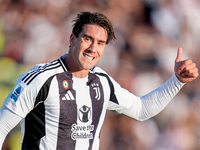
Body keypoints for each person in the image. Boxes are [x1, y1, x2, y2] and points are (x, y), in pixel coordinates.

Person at [0, 12, 198, 150]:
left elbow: (141, 110)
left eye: (100, 43)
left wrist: (177, 80)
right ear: (72, 39)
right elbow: (2, 126)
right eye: (87, 39)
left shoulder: (101, 81)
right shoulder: (41, 78)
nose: (93, 48)